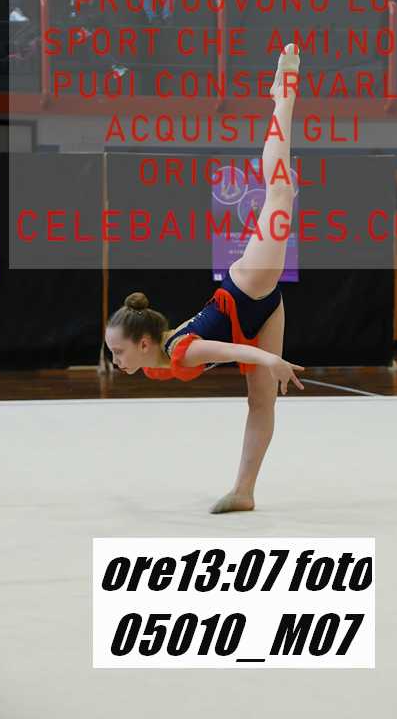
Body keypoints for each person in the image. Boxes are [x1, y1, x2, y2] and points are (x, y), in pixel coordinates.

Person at [104, 44, 306, 515]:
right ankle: (244, 491)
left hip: (248, 287)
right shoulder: (155, 359)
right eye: (113, 353)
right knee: (262, 403)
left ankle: (284, 94)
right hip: (264, 311)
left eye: (118, 351)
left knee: (280, 192)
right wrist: (269, 363)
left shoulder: (180, 351)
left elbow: (236, 353)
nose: (115, 361)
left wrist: (271, 361)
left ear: (143, 343)